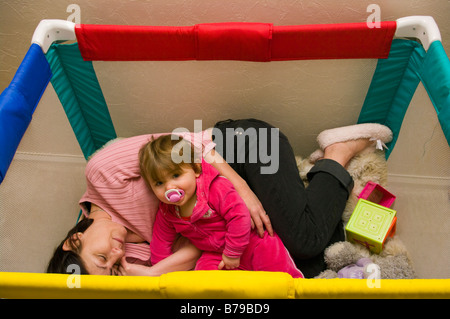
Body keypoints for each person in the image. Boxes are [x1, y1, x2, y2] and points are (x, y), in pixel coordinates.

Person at [47, 118, 391, 278]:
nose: (117, 255)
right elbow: (203, 243)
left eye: (102, 255)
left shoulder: (102, 175)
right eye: (111, 266)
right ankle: (308, 189)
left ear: (73, 239)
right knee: (297, 267)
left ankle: (337, 152)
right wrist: (152, 273)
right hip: (226, 209)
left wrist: (241, 188)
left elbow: (180, 141)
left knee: (304, 240)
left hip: (238, 149)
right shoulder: (134, 257)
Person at [139, 135, 303, 278]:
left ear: (196, 169)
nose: (169, 188)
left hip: (251, 242)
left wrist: (233, 253)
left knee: (279, 275)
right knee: (204, 280)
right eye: (159, 183)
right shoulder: (168, 211)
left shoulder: (215, 188)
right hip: (214, 253)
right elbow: (160, 241)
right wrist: (159, 272)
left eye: (176, 175)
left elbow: (239, 216)